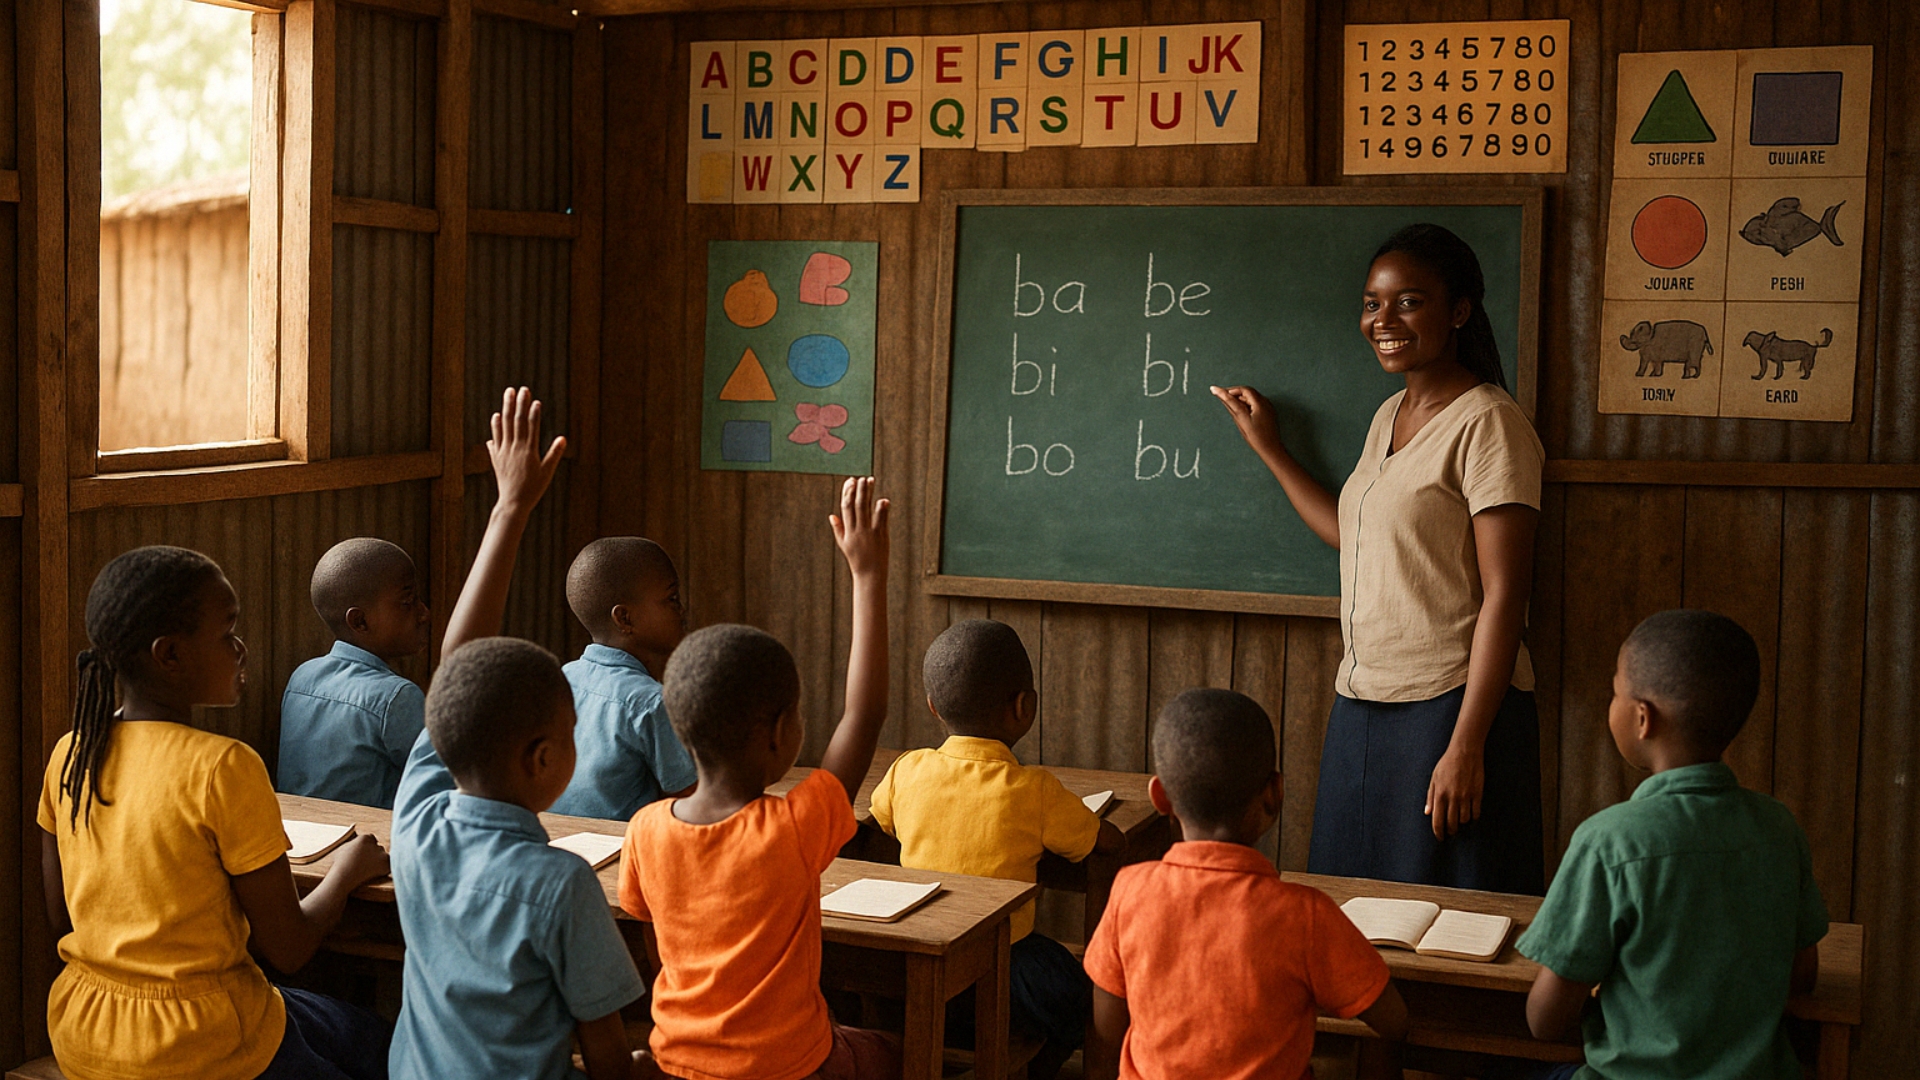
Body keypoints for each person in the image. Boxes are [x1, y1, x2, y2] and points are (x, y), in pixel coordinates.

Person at [1213, 222, 1546, 893]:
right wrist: (1270, 448)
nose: (1384, 320)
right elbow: (1353, 532)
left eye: (1408, 302)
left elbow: (1506, 596)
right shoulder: (1389, 413)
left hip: (1453, 705)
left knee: (1451, 922)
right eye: (1372, 303)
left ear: (1458, 311)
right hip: (1364, 703)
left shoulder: (1489, 423)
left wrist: (1467, 745)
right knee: (1354, 909)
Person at [39, 544, 393, 1080]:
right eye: (227, 633)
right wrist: (346, 874)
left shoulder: (72, 754)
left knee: (343, 1028)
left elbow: (61, 916)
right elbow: (291, 948)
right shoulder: (223, 766)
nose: (240, 648)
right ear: (170, 655)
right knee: (385, 1045)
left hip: (86, 1030)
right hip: (203, 1043)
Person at [387, 388, 652, 1080]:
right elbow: (604, 1057)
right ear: (542, 758)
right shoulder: (561, 884)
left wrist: (509, 509)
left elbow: (455, 666)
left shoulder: (416, 823)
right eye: (572, 732)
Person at [619, 477, 899, 1080]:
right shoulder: (794, 826)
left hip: (677, 1060)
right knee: (886, 1052)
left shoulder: (645, 831)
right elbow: (865, 714)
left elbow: (654, 948)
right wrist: (868, 577)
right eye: (797, 715)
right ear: (777, 734)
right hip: (786, 1066)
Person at [1512, 610, 1827, 1080]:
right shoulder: (1779, 828)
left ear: (1643, 718)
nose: (1611, 702)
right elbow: (1802, 976)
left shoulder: (1609, 841)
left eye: (1615, 690)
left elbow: (1545, 1020)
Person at [1082, 688, 1407, 1080]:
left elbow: (1108, 1024)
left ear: (1161, 797)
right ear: (1274, 794)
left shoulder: (1130, 891)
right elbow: (1393, 1020)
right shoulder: (1306, 915)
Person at [868, 618, 1122, 1078]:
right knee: (1085, 996)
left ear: (933, 708)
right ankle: (1035, 1071)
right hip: (1006, 978)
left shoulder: (907, 770)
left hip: (912, 972)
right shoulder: (1035, 790)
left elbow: (880, 819)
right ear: (1024, 707)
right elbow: (1105, 842)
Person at [550, 537, 699, 820]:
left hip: (554, 841)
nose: (682, 610)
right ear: (624, 619)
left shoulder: (559, 681)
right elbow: (690, 802)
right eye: (672, 599)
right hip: (620, 852)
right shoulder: (652, 702)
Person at [278, 537, 432, 808]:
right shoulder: (396, 697)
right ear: (359, 621)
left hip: (302, 839)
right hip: (371, 843)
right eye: (407, 601)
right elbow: (442, 781)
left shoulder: (302, 676)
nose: (424, 613)